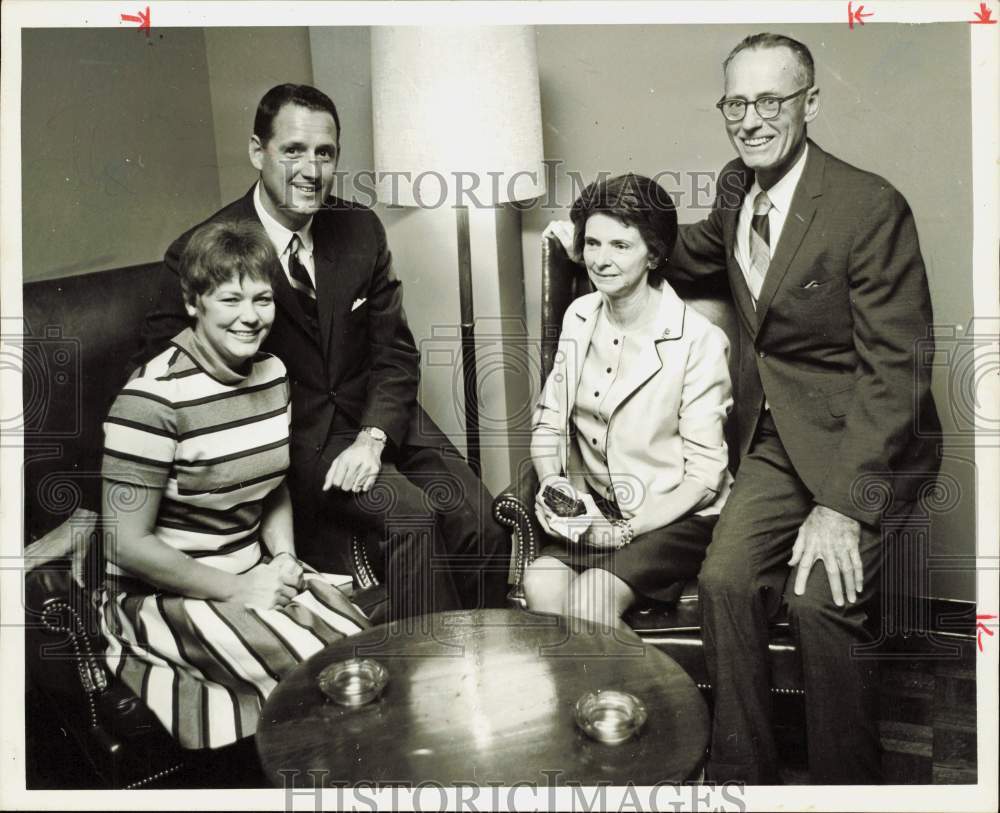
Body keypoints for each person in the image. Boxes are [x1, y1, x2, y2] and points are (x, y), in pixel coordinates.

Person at [546, 34, 940, 784]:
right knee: (727, 581)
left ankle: (848, 790)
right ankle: (741, 774)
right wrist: (588, 242)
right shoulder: (737, 189)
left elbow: (899, 374)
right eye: (737, 101)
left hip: (867, 446)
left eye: (771, 100)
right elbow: (690, 250)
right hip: (779, 439)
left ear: (810, 103)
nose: (751, 118)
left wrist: (841, 506)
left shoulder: (869, 206)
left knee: (821, 601)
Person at [137, 84, 510, 621]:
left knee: (480, 516)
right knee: (411, 518)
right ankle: (426, 684)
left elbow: (396, 353)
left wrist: (374, 435)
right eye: (292, 150)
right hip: (299, 438)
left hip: (379, 418)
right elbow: (162, 374)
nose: (310, 169)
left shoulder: (359, 229)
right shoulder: (206, 248)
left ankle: (490, 661)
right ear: (256, 151)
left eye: (325, 152)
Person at [99, 220, 370, 750]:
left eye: (263, 299)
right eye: (230, 299)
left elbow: (270, 487)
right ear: (193, 301)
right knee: (317, 674)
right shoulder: (149, 400)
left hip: (254, 571)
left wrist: (285, 557)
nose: (251, 317)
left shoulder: (272, 375)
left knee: (365, 652)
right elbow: (125, 543)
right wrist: (239, 589)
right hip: (166, 592)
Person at [525, 174, 733, 631]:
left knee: (589, 601)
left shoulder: (698, 340)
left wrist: (623, 531)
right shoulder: (579, 316)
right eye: (593, 244)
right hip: (595, 510)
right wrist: (553, 488)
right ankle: (594, 703)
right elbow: (548, 422)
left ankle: (653, 703)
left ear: (654, 253)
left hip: (674, 515)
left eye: (621, 246)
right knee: (540, 583)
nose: (601, 260)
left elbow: (703, 477)